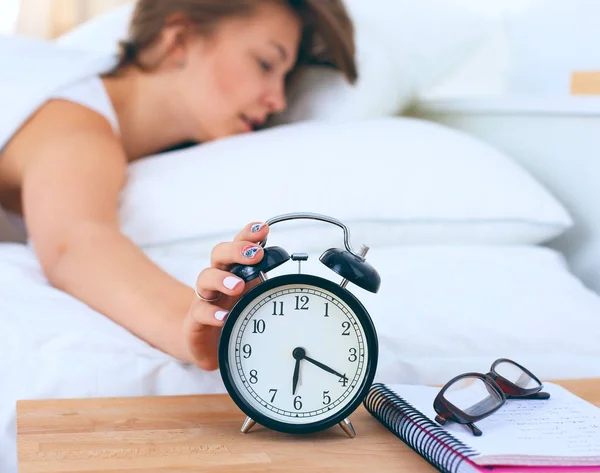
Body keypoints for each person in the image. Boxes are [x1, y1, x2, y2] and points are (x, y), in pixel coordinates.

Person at [0, 0, 357, 371]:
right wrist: (189, 323)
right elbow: (76, 242)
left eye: (284, 77)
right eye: (265, 64)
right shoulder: (78, 128)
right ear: (180, 40)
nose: (278, 99)